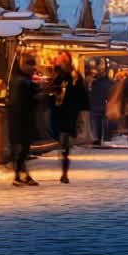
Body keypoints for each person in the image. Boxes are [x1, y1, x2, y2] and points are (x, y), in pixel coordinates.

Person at [51, 54, 88, 183]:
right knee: (62, 141)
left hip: (69, 113)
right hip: (58, 112)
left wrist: (80, 113)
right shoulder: (60, 76)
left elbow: (81, 95)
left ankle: (64, 172)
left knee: (65, 142)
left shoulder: (75, 77)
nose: (61, 63)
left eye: (63, 60)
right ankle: (64, 170)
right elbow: (53, 90)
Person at [7, 54, 39, 185]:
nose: (33, 68)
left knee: (21, 147)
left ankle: (22, 175)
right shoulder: (23, 81)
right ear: (24, 65)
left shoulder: (19, 79)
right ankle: (19, 176)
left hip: (19, 118)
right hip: (22, 118)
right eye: (30, 65)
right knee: (23, 148)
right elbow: (24, 101)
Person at [88, 68, 113, 146]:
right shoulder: (109, 83)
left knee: (97, 122)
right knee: (105, 122)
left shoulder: (95, 83)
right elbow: (109, 94)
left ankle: (98, 138)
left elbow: (91, 94)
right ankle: (106, 137)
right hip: (104, 105)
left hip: (96, 105)